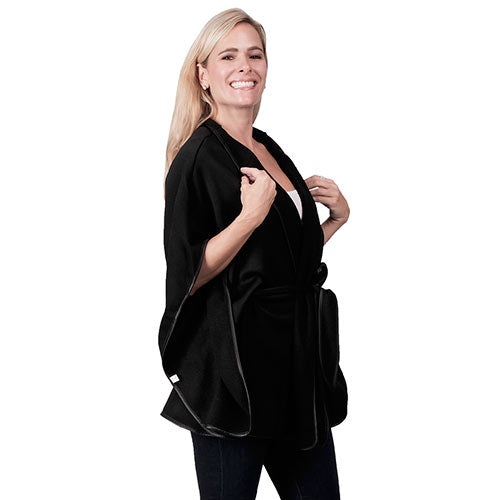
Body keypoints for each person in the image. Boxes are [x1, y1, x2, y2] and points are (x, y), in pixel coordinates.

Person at [158, 8, 350, 499]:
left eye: (254, 55)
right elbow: (188, 273)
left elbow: (276, 258)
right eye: (228, 56)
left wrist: (334, 222)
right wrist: (249, 217)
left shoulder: (267, 147)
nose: (244, 66)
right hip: (235, 376)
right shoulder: (197, 158)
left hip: (296, 374)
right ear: (203, 74)